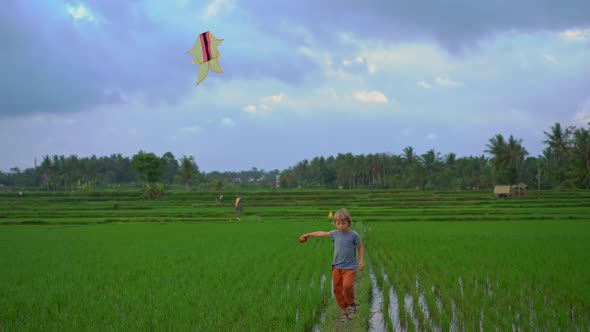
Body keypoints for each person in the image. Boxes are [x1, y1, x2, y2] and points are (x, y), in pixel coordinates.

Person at [300, 208, 365, 322]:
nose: (340, 226)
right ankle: (344, 312)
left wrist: (361, 261)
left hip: (350, 267)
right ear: (335, 223)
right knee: (337, 290)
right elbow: (321, 233)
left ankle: (352, 305)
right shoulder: (335, 234)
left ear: (349, 222)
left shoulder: (353, 235)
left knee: (347, 286)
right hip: (337, 267)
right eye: (338, 223)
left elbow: (360, 247)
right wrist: (308, 235)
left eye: (343, 223)